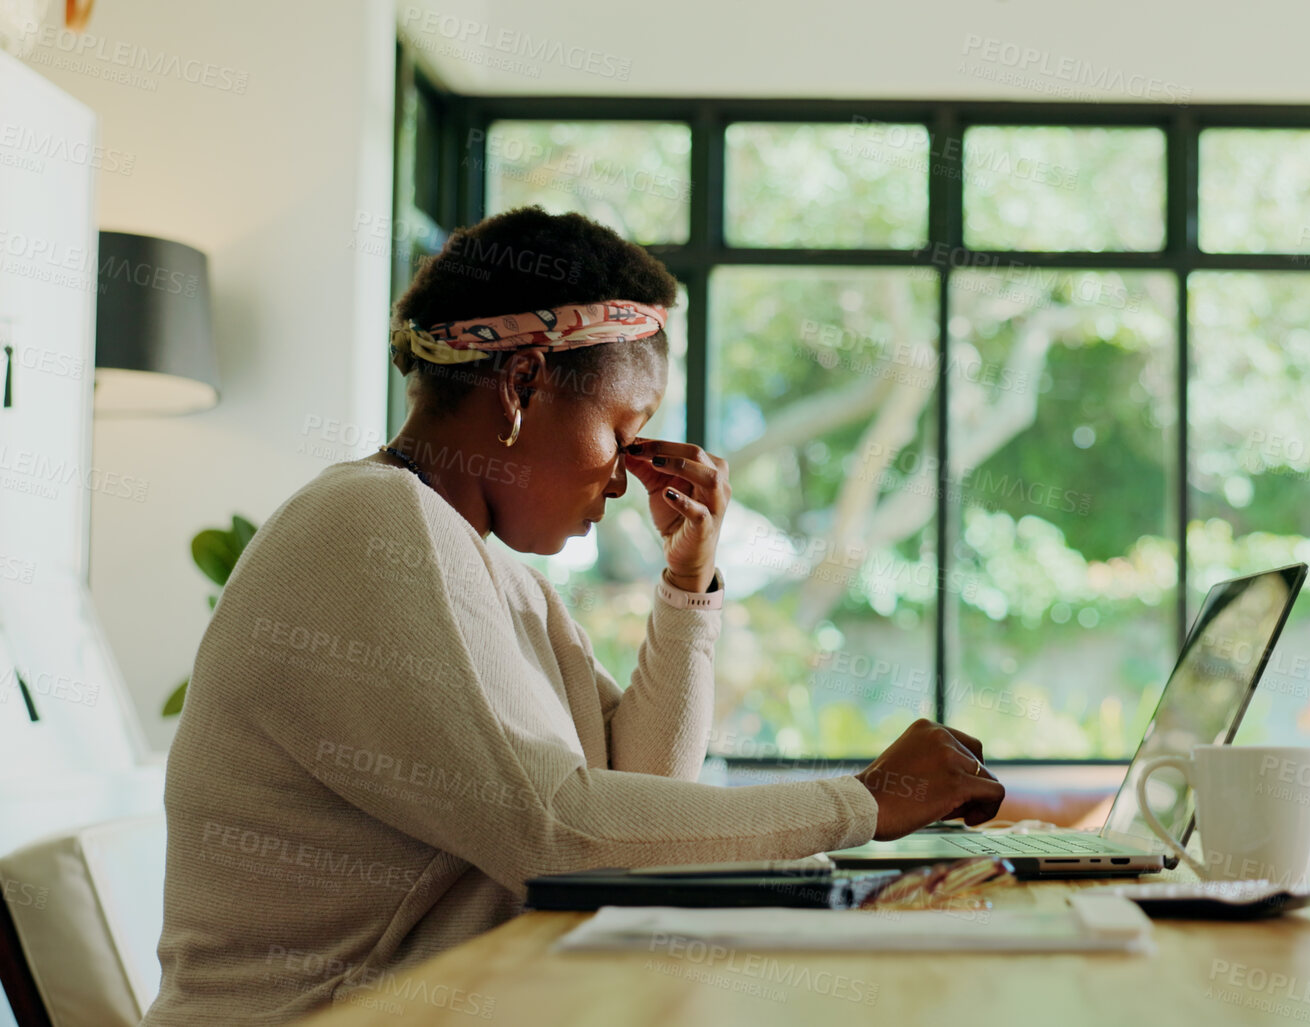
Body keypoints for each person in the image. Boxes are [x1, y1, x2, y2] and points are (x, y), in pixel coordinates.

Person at [141, 207, 1003, 1025]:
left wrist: (687, 581)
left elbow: (642, 797)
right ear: (522, 382)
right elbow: (556, 831)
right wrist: (863, 801)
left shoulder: (488, 569)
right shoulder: (369, 523)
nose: (625, 477)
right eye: (623, 431)